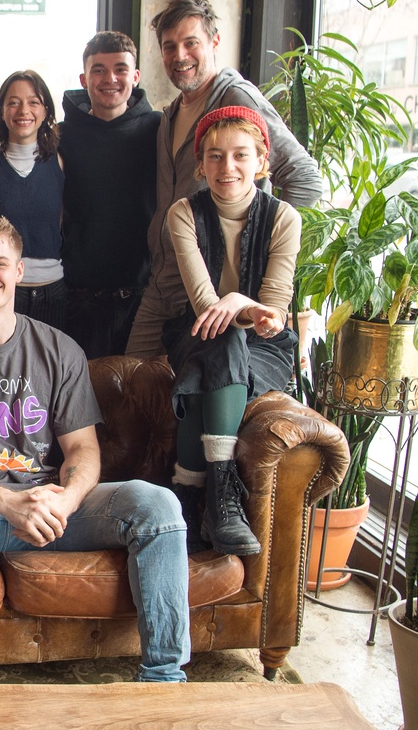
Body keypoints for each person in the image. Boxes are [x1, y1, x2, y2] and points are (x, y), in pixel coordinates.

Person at [0, 215, 190, 685]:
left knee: (158, 504)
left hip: (51, 509)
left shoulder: (58, 349)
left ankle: (164, 681)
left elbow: (83, 449)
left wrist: (66, 501)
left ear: (19, 271)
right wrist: (5, 503)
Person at [126, 0, 321, 358]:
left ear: (214, 43)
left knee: (189, 402)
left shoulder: (235, 98)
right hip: (162, 285)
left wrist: (256, 252)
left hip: (209, 295)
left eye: (190, 43)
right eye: (169, 47)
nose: (179, 55)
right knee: (129, 397)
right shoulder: (170, 114)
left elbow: (305, 178)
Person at [163, 107, 299, 556]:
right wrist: (238, 304)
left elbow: (275, 310)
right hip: (199, 332)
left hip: (266, 345)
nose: (228, 167)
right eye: (215, 157)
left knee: (220, 352)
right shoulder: (184, 213)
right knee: (221, 335)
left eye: (241, 155)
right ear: (201, 165)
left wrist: (244, 303)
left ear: (262, 162)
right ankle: (222, 496)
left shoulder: (284, 219)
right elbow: (205, 304)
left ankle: (187, 492)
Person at [59, 31, 160, 358]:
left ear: (136, 76)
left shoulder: (158, 130)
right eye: (98, 70)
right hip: (78, 300)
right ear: (84, 78)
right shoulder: (61, 135)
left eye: (120, 68)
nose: (110, 78)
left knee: (139, 401)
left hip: (143, 298)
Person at [0, 70, 66, 331]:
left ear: (46, 111)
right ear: (2, 111)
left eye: (33, 102)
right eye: (13, 102)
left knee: (51, 371)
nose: (23, 110)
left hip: (53, 292)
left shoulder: (60, 160)